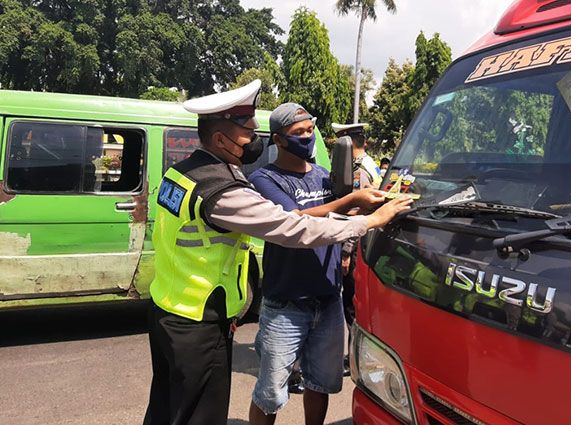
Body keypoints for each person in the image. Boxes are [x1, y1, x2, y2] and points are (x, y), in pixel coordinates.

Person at [143, 80, 412, 425]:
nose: (254, 141)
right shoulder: (223, 190)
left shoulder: (181, 174)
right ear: (220, 139)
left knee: (168, 408)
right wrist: (371, 221)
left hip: (168, 307)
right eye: (247, 133)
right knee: (201, 414)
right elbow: (293, 228)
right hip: (200, 320)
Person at [246, 104, 383, 424]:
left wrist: (371, 206)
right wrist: (349, 201)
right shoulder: (265, 179)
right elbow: (292, 218)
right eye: (299, 133)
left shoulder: (324, 177)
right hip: (285, 304)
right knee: (270, 393)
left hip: (328, 298)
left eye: (310, 130)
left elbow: (340, 217)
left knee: (320, 384)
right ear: (279, 140)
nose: (307, 137)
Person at [330, 122, 382, 376]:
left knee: (351, 305)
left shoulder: (359, 171)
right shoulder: (370, 164)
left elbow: (358, 214)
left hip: (357, 244)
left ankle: (355, 360)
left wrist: (346, 252)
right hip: (366, 243)